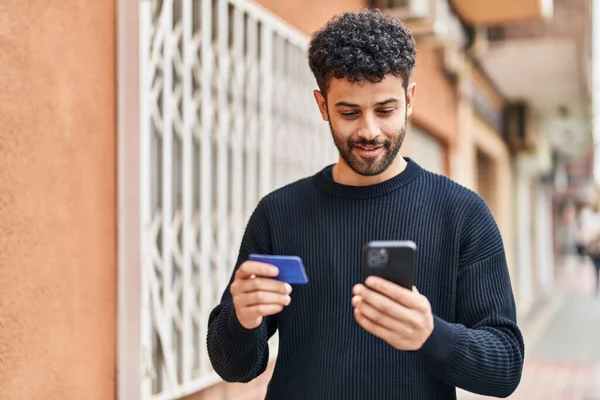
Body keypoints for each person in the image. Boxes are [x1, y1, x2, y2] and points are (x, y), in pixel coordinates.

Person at [206, 9, 524, 400]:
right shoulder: (279, 213)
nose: (369, 130)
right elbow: (234, 367)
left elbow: (505, 367)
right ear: (322, 106)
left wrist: (431, 335)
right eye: (349, 112)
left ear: (409, 99)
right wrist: (242, 318)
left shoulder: (462, 214)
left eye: (385, 110)